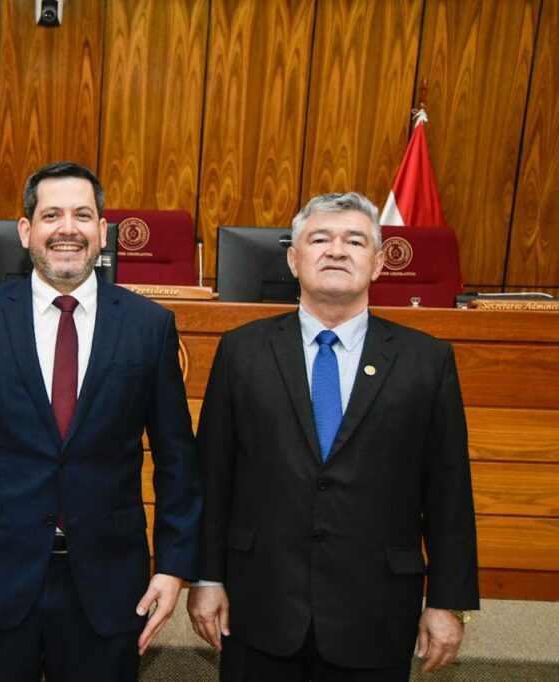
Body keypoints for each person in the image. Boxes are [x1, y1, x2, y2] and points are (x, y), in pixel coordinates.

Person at [0, 161, 201, 681]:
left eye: (83, 215)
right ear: (26, 230)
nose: (68, 228)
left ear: (102, 231)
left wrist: (174, 566)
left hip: (109, 587)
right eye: (52, 215)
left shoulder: (149, 326)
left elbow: (178, 459)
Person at [187, 192, 479, 681]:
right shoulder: (242, 352)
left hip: (375, 613)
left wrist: (448, 602)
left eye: (355, 241)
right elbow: (213, 478)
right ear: (293, 258)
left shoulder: (426, 361)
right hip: (259, 607)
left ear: (380, 262)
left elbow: (449, 493)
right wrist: (207, 577)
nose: (337, 251)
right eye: (319, 239)